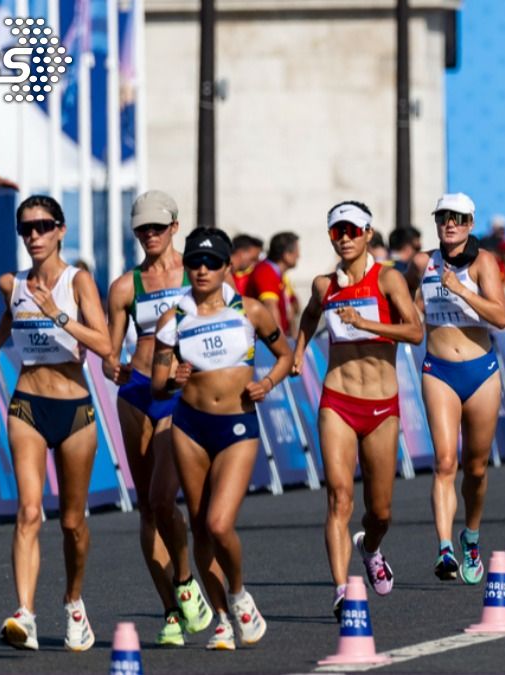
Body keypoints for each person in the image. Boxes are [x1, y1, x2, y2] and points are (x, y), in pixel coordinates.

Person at [0, 195, 113, 651]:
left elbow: (105, 343)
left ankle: (74, 602)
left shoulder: (79, 281)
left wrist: (57, 315)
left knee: (72, 523)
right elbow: (11, 314)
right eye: (26, 229)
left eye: (42, 226)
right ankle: (26, 614)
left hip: (74, 410)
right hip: (28, 404)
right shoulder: (10, 283)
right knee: (30, 512)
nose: (33, 236)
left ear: (61, 230)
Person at [151, 227, 293, 650]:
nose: (202, 269)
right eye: (194, 261)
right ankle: (220, 620)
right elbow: (158, 384)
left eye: (212, 262)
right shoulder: (173, 318)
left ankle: (238, 592)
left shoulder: (250, 311)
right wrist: (172, 380)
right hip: (189, 426)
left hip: (236, 426)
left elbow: (285, 356)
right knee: (199, 527)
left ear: (228, 267)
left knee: (218, 522)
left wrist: (266, 384)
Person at [292, 200, 423, 618]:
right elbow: (310, 317)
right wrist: (298, 353)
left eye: (352, 230)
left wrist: (368, 325)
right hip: (338, 400)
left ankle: (370, 547)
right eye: (337, 232)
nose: (345, 238)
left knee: (380, 510)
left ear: (368, 233)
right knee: (338, 497)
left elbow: (416, 332)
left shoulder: (388, 279)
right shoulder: (322, 285)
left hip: (382, 407)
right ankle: (342, 590)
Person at [104, 191, 214, 647]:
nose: (149, 236)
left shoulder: (198, 275)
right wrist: (113, 365)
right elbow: (112, 353)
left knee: (168, 500)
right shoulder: (124, 287)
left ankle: (186, 579)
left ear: (174, 227)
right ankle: (171, 610)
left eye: (157, 227)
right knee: (147, 506)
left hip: (179, 396)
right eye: (141, 230)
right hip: (136, 394)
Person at [404, 193, 505, 585]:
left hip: (481, 371)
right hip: (438, 370)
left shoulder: (484, 262)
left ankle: (472, 536)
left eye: (459, 219)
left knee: (476, 469)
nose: (451, 224)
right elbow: (411, 303)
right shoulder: (422, 262)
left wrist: (462, 290)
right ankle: (444, 547)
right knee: (445, 462)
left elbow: (501, 316)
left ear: (470, 224)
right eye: (444, 218)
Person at [246, 231, 301, 338]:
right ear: (286, 255)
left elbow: (294, 308)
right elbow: (270, 306)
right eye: (296, 251)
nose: (299, 256)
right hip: (264, 345)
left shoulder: (280, 275)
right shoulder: (265, 272)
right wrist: (281, 343)